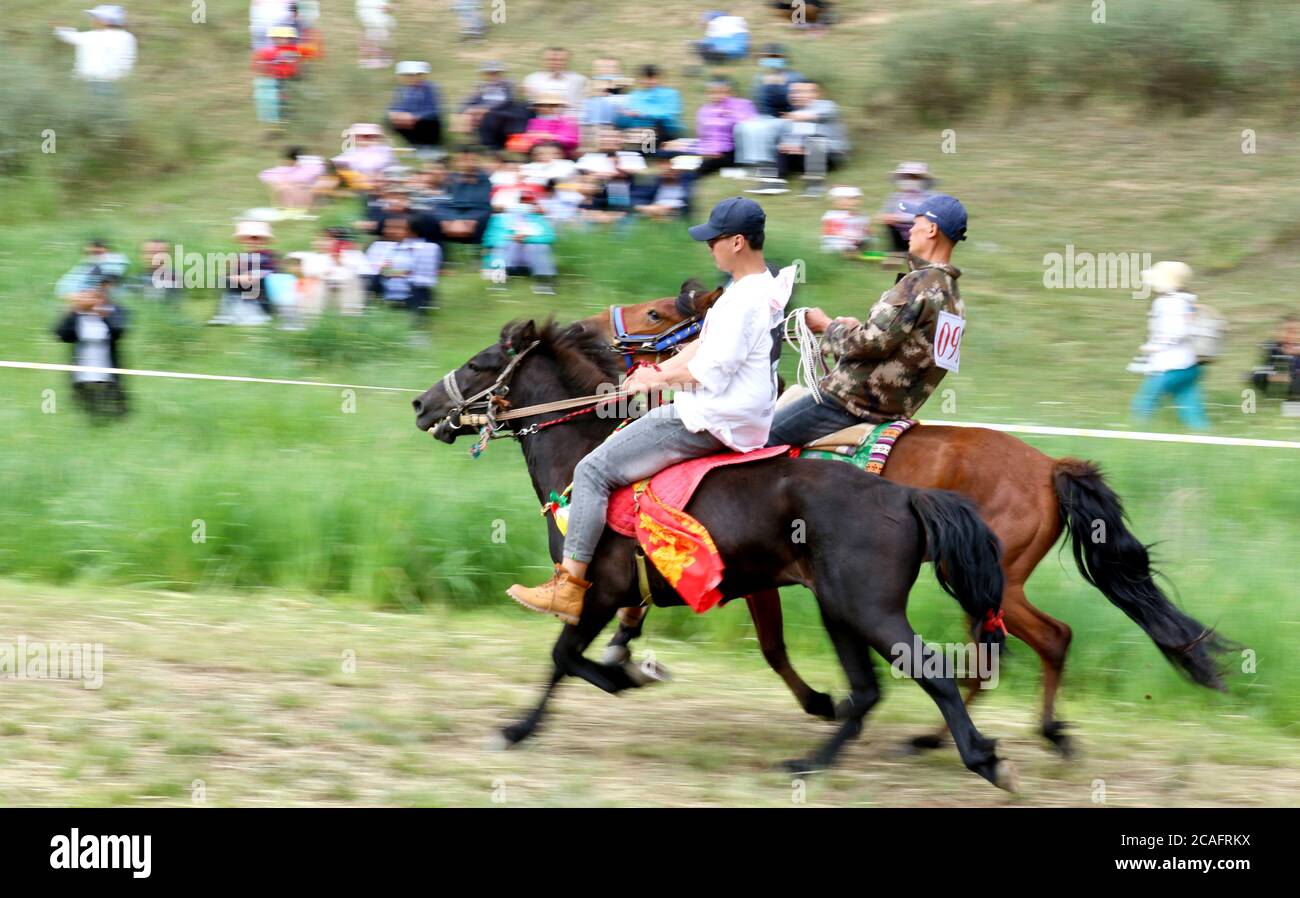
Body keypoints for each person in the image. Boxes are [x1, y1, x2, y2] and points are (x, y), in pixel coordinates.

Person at [507, 197, 793, 623]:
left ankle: (569, 587)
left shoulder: (746, 299)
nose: (709, 246)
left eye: (714, 239)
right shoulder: (756, 288)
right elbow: (702, 347)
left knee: (591, 471)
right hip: (735, 415)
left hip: (711, 418)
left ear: (737, 242)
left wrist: (656, 380)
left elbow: (712, 369)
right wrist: (652, 372)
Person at [767, 194, 969, 446]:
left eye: (915, 223)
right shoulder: (955, 298)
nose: (910, 230)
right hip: (894, 410)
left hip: (849, 402)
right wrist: (853, 328)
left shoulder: (919, 283)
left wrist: (826, 325)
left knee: (761, 440)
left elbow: (871, 344)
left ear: (931, 229)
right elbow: (913, 352)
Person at [1129, 261, 1210, 430]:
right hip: (1190, 365)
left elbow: (1176, 331)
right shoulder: (1189, 301)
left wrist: (1155, 346)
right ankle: (1202, 432)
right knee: (1190, 403)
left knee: (1144, 403)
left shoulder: (1166, 303)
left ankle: (1137, 434)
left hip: (1168, 366)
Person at [53, 267, 129, 419]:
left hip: (109, 378)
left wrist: (102, 312)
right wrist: (73, 311)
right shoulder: (78, 314)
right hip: (82, 379)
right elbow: (61, 335)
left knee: (114, 417)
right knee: (85, 417)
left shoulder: (116, 310)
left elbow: (119, 331)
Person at [732, 44, 803, 179]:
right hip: (764, 116)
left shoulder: (794, 77)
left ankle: (767, 163)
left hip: (787, 117)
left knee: (764, 128)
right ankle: (749, 163)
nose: (772, 61)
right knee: (743, 127)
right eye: (768, 57)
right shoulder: (759, 79)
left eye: (775, 57)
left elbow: (798, 101)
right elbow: (757, 103)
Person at [774, 80, 847, 193]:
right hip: (800, 156)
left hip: (828, 155)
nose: (796, 95)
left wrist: (795, 118)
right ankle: (776, 181)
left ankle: (815, 184)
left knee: (814, 138)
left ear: (816, 94)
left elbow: (821, 115)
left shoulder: (827, 105)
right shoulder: (794, 112)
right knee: (782, 146)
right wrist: (789, 146)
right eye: (794, 92)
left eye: (802, 92)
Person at [365, 215, 441, 317]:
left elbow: (424, 277)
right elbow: (369, 269)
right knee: (367, 279)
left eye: (398, 228)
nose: (391, 231)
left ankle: (417, 323)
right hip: (383, 287)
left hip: (413, 291)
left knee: (419, 287)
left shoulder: (427, 248)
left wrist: (390, 271)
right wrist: (389, 271)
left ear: (413, 231)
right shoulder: (378, 246)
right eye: (388, 227)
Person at [678, 77, 756, 176]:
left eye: (721, 92)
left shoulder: (741, 105)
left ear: (729, 92)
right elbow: (701, 136)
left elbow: (751, 124)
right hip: (709, 150)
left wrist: (732, 115)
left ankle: (691, 175)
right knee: (676, 152)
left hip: (729, 151)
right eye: (713, 92)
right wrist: (705, 150)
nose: (717, 96)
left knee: (710, 163)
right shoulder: (704, 110)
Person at [482, 197, 558, 294]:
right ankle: (498, 283)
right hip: (507, 263)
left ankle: (544, 283)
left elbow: (550, 238)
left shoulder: (539, 219)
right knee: (501, 247)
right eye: (521, 201)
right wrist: (512, 238)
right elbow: (490, 240)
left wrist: (527, 239)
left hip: (532, 263)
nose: (522, 205)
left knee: (540, 246)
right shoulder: (499, 219)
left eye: (526, 202)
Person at [53, 6, 136, 94]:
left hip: (89, 83)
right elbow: (128, 61)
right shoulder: (128, 37)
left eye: (96, 18)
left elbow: (68, 36)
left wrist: (58, 27)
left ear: (105, 21)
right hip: (116, 84)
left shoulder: (92, 36)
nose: (93, 21)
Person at [876, 162, 937, 257]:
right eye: (904, 177)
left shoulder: (931, 197)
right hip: (900, 229)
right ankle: (899, 248)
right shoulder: (895, 197)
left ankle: (922, 249)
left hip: (920, 229)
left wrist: (904, 219)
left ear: (922, 180)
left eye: (913, 177)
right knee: (891, 226)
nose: (908, 180)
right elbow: (885, 213)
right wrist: (885, 217)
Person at [614, 65, 684, 142]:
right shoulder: (635, 95)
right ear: (640, 79)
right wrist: (623, 114)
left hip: (663, 133)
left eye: (653, 78)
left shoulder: (670, 94)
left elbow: (669, 116)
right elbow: (627, 118)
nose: (649, 81)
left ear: (659, 78)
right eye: (645, 78)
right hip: (637, 133)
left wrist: (642, 114)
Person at [252, 25, 302, 125]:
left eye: (286, 38)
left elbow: (297, 64)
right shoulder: (268, 52)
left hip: (289, 78)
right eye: (277, 38)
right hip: (276, 79)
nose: (282, 40)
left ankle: (288, 115)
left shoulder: (293, 50)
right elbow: (258, 64)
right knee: (280, 98)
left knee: (288, 97)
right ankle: (281, 117)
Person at [387, 61, 442, 149]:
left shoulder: (430, 88)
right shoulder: (402, 90)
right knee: (390, 120)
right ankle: (413, 144)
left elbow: (434, 111)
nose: (410, 78)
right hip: (408, 120)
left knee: (429, 123)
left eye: (413, 75)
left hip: (426, 121)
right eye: (407, 75)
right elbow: (395, 106)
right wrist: (396, 114)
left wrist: (415, 116)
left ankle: (427, 145)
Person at [259, 147, 326, 216]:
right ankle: (289, 209)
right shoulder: (289, 168)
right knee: (283, 186)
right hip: (301, 197)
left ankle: (299, 210)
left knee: (291, 187)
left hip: (312, 197)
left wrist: (287, 182)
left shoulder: (315, 167)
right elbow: (265, 174)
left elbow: (303, 178)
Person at [522, 47, 588, 112]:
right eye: (551, 59)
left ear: (568, 60)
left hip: (571, 120)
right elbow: (530, 105)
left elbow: (584, 104)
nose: (556, 63)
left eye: (561, 60)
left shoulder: (578, 79)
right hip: (542, 120)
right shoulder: (532, 79)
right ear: (543, 60)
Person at [820, 185, 869, 254]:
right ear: (835, 201)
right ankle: (849, 252)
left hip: (855, 242)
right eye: (842, 199)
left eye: (853, 199)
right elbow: (830, 231)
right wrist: (849, 236)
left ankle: (854, 251)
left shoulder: (861, 216)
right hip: (837, 243)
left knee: (866, 240)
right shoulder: (831, 216)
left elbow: (865, 230)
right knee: (844, 246)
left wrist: (864, 235)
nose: (847, 202)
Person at [355, 0, 394, 68]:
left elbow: (359, 8)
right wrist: (393, 7)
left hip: (367, 20)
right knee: (376, 39)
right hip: (377, 23)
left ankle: (367, 56)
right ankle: (375, 59)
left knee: (368, 37)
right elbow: (387, 8)